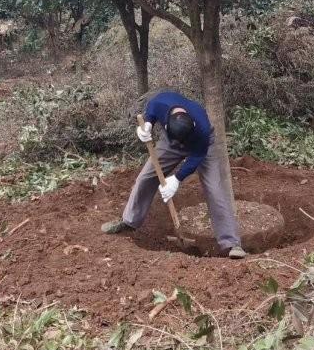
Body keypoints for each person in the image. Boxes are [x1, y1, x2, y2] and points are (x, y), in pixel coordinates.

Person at [101, 90, 246, 259]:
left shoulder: (202, 128)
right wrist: (147, 124)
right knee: (145, 177)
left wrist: (177, 179)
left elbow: (197, 156)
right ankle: (130, 221)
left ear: (192, 124)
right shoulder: (160, 103)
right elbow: (151, 109)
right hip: (170, 142)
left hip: (202, 148)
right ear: (167, 125)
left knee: (215, 189)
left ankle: (231, 243)